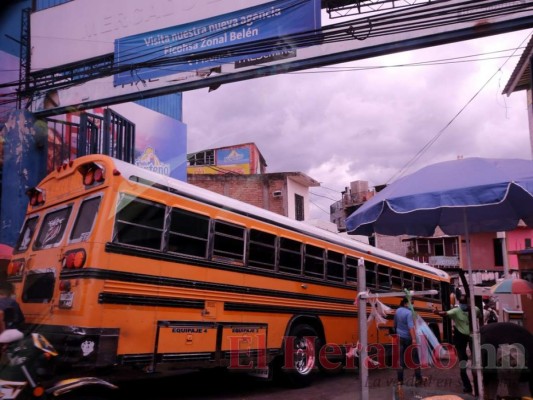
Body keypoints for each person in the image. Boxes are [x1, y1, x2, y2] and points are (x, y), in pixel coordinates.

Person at [433, 294, 479, 394]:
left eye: (462, 303)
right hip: (467, 337)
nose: (462, 305)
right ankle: (472, 385)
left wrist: (437, 312)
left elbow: (444, 313)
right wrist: (437, 312)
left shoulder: (463, 310)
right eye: (462, 303)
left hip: (465, 337)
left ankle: (470, 386)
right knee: (469, 362)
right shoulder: (471, 309)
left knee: (468, 362)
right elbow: (444, 313)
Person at [394, 297, 424, 386]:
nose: (412, 305)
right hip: (408, 338)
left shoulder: (397, 311)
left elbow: (395, 324)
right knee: (415, 359)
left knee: (400, 360)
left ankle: (400, 381)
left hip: (399, 338)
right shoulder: (409, 313)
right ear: (406, 304)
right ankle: (418, 378)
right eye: (411, 303)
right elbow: (411, 328)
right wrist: (414, 339)